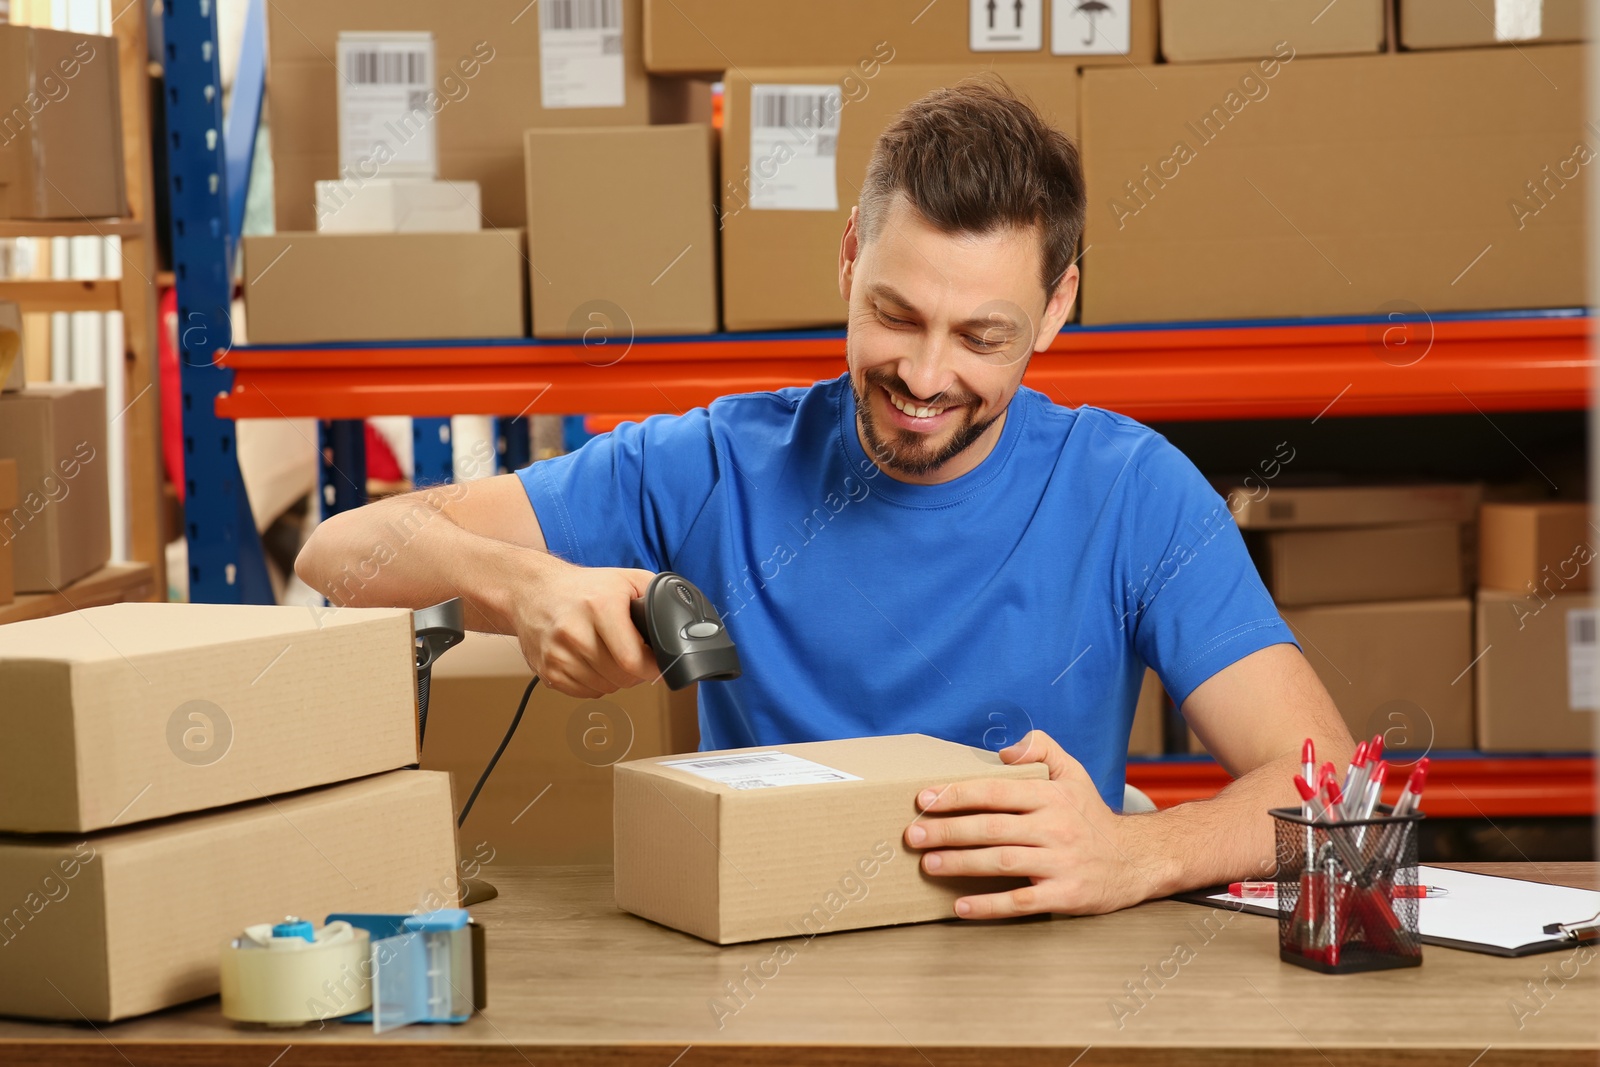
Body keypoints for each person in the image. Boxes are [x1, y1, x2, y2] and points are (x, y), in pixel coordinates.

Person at [296, 77, 1354, 919]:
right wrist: (520, 581)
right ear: (848, 257)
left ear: (1056, 307)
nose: (927, 375)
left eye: (982, 336)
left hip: (1036, 976)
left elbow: (1334, 789)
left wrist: (1139, 848)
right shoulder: (713, 461)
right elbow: (340, 552)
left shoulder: (1130, 490)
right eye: (896, 313)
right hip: (768, 959)